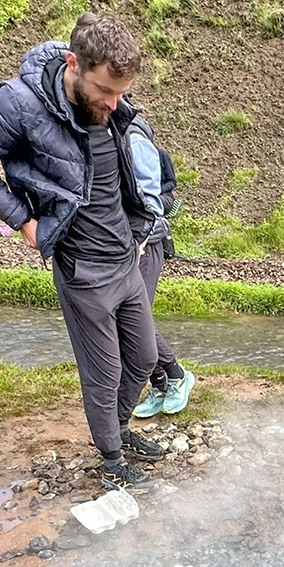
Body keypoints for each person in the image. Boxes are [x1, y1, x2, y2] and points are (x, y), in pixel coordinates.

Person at [0, 12, 192, 492]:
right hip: (83, 270)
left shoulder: (111, 102)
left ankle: (118, 430)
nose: (113, 103)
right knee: (105, 370)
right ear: (75, 64)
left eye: (121, 93)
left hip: (125, 257)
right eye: (105, 91)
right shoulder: (20, 104)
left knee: (142, 359)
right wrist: (22, 221)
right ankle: (112, 458)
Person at [121, 120, 194, 419]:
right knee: (127, 319)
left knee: (137, 319)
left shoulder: (133, 138)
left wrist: (142, 238)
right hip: (123, 242)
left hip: (144, 243)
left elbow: (152, 204)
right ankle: (161, 383)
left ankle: (176, 376)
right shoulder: (110, 133)